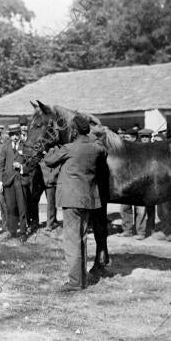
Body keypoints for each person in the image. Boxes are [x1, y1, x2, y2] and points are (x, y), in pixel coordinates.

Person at [44, 114, 107, 291]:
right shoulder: (96, 148)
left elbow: (49, 161)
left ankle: (75, 282)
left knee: (72, 240)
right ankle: (82, 278)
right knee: (82, 238)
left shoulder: (68, 148)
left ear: (73, 130)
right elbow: (103, 151)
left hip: (71, 199)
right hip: (88, 199)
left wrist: (49, 149)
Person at [0, 124, 28, 239]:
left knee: (22, 206)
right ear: (9, 135)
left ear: (20, 134)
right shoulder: (5, 147)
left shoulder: (25, 146)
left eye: (17, 134)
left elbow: (30, 164)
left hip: (20, 180)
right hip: (8, 182)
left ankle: (23, 232)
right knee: (10, 207)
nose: (15, 137)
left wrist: (21, 167)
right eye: (12, 135)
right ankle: (12, 231)